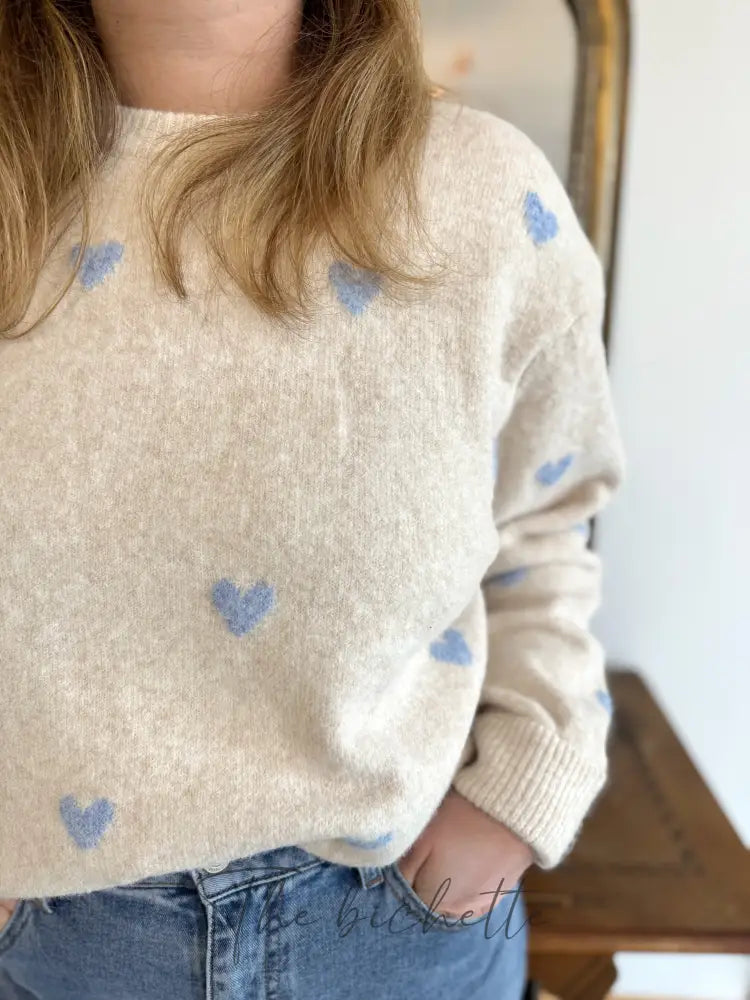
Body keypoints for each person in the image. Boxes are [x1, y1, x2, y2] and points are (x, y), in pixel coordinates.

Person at [0, 1, 625, 997]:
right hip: (55, 943)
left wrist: (519, 792)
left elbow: (543, 523)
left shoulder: (485, 195)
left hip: (400, 930)